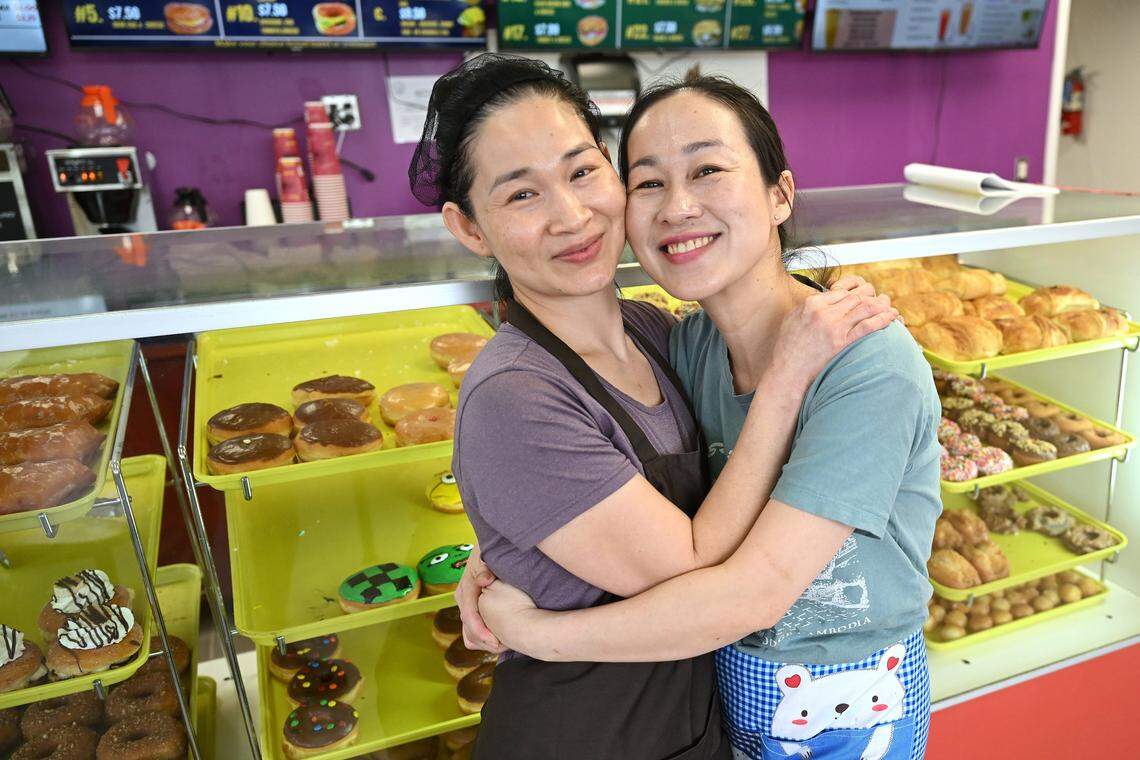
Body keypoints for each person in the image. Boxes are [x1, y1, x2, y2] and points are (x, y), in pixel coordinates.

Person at [409, 54, 896, 759]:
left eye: (582, 171)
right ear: (470, 229)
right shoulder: (514, 396)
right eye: (521, 196)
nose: (572, 216)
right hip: (584, 735)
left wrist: (497, 560)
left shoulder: (664, 333)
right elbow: (695, 566)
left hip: (692, 722)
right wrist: (787, 379)